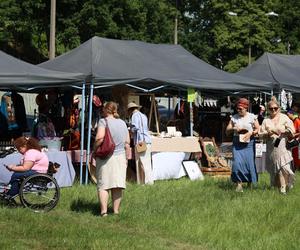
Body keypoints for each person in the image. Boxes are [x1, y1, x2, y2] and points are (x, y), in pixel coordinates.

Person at [94, 101, 130, 217]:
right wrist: (127, 159)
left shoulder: (103, 121)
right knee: (117, 185)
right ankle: (116, 211)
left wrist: (94, 149)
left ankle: (104, 212)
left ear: (105, 110)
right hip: (120, 157)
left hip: (106, 157)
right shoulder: (123, 123)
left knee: (104, 185)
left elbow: (99, 138)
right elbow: (127, 142)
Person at [260, 97, 295, 194]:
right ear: (268, 109)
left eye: (275, 108)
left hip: (283, 146)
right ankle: (281, 187)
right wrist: (268, 133)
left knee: (284, 167)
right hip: (272, 148)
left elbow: (292, 130)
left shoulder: (284, 117)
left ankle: (283, 188)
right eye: (271, 108)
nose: (273, 110)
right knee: (276, 170)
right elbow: (260, 134)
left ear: (279, 108)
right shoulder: (266, 120)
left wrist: (284, 131)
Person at [226, 98, 259, 192]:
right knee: (237, 163)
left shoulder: (252, 117)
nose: (238, 110)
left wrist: (251, 133)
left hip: (249, 142)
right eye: (237, 108)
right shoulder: (234, 118)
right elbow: (227, 131)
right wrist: (233, 129)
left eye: (241, 108)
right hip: (237, 143)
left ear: (246, 108)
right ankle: (239, 184)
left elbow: (258, 129)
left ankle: (250, 183)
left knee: (249, 163)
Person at [127, 102, 153, 185]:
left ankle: (144, 182)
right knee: (146, 163)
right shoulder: (143, 115)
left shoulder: (134, 116)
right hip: (147, 141)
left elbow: (135, 128)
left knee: (140, 163)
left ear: (130, 110)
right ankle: (146, 182)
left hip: (140, 142)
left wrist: (129, 130)